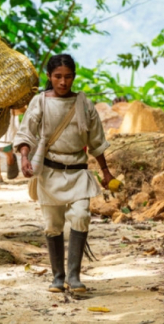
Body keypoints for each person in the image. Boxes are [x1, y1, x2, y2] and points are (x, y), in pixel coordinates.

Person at [13, 54, 115, 293]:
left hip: (78, 172)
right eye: (58, 76)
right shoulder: (40, 102)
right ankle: (58, 278)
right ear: (49, 77)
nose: (63, 82)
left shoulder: (83, 103)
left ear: (74, 77)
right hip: (49, 173)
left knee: (81, 216)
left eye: (68, 77)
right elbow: (26, 133)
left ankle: (74, 276)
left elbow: (96, 141)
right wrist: (25, 157)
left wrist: (106, 172)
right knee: (53, 224)